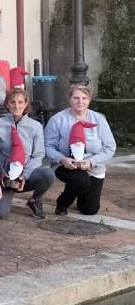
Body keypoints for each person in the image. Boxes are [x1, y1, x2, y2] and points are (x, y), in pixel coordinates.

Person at [45, 85, 116, 216]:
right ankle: (63, 203)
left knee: (90, 210)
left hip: (93, 167)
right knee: (81, 181)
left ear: (89, 100)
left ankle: (78, 190)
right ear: (69, 99)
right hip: (65, 165)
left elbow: (110, 147)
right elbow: (48, 146)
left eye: (84, 98)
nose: (80, 101)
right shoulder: (58, 119)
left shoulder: (99, 119)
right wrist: (62, 159)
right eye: (76, 98)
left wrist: (91, 162)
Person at [0, 89, 53, 219]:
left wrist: (24, 175)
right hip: (5, 176)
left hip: (26, 175)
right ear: (7, 104)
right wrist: (1, 174)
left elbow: (38, 155)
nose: (16, 106)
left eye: (20, 102)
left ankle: (35, 200)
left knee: (47, 174)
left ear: (25, 104)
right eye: (12, 102)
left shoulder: (35, 126)